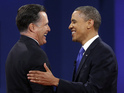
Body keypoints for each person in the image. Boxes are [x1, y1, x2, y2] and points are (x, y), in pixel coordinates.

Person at [27, 6, 118, 93]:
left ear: (89, 23)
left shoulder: (103, 53)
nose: (70, 26)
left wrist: (56, 81)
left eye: (74, 22)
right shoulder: (85, 52)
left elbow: (94, 90)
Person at [5, 4, 54, 93]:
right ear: (32, 27)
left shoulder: (14, 51)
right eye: (46, 25)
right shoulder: (36, 54)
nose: (49, 29)